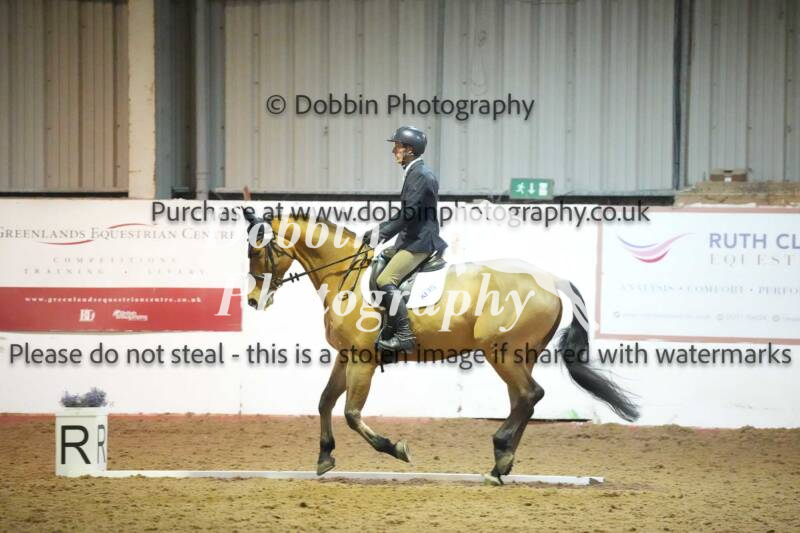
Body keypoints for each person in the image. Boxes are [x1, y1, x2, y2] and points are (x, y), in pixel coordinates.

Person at [363, 126, 447, 353]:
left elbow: (408, 214)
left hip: (419, 243)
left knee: (385, 279)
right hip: (411, 239)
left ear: (410, 149)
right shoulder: (414, 172)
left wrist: (379, 234)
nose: (394, 151)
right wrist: (378, 230)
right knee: (381, 259)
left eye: (397, 147)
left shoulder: (420, 174)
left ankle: (404, 336)